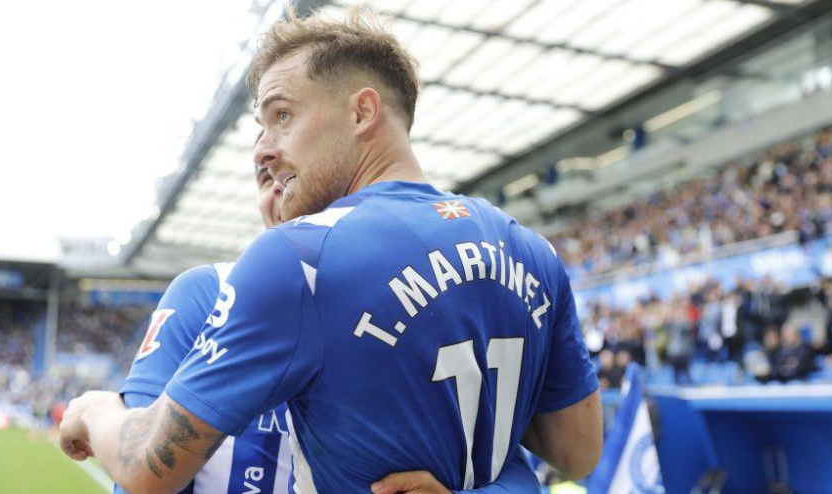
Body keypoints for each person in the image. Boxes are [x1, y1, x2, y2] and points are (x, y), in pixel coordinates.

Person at [60, 8, 602, 493]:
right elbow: (578, 453)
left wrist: (96, 411)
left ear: (363, 112)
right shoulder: (532, 252)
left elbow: (147, 470)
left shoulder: (300, 257)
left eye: (282, 116)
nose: (263, 150)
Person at [114, 156, 540, 493]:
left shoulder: (408, 311)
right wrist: (96, 413)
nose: (277, 185)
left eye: (289, 171)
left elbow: (509, 466)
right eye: (265, 178)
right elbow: (140, 467)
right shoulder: (205, 293)